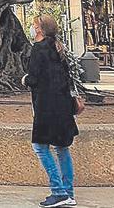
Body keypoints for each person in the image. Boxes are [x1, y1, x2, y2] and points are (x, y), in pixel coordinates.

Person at [23, 15, 80, 208]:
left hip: (47, 107)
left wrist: (24, 80)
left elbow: (34, 78)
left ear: (39, 29)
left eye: (33, 26)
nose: (32, 29)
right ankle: (69, 193)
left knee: (40, 147)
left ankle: (58, 191)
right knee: (62, 149)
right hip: (63, 107)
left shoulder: (38, 50)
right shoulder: (59, 49)